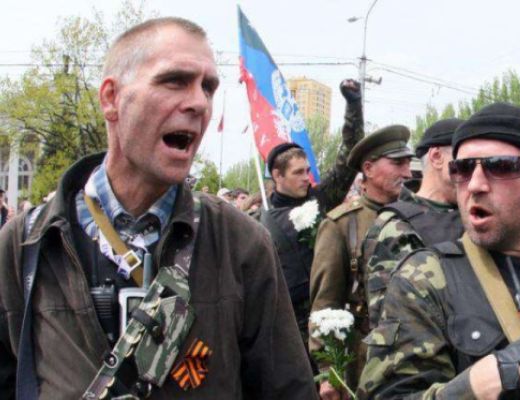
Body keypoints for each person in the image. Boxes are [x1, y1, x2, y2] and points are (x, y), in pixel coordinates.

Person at [0, 17, 317, 400]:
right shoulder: (24, 244)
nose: (199, 103)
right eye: (174, 81)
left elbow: (288, 389)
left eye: (208, 87)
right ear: (111, 98)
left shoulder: (242, 242)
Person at [358, 102, 520, 399]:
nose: (475, 185)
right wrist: (474, 386)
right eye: (462, 169)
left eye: (501, 167)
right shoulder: (425, 279)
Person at [256, 79, 364, 348]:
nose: (307, 177)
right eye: (298, 172)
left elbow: (350, 157)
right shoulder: (259, 223)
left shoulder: (321, 199)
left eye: (307, 170)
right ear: (277, 175)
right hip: (285, 330)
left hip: (328, 323)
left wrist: (353, 105)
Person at [309, 125, 414, 398]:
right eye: (398, 163)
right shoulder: (341, 224)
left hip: (416, 354)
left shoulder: (416, 216)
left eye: (408, 163)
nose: (408, 173)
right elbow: (325, 305)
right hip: (365, 361)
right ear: (368, 168)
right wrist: (328, 370)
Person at [361, 118, 464, 330]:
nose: (475, 173)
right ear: (437, 157)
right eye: (465, 162)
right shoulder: (396, 227)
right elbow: (390, 325)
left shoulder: (475, 217)